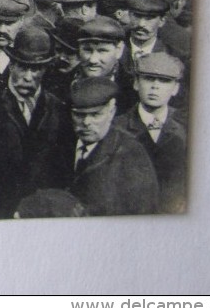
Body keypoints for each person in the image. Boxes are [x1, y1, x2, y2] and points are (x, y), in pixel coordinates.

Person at [0, 26, 74, 217]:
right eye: (22, 67)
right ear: (11, 65)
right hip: (1, 209)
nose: (28, 77)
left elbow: (63, 168)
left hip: (44, 210)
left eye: (36, 69)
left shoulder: (58, 109)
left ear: (45, 69)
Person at [59, 76, 159, 216]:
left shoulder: (131, 153)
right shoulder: (59, 147)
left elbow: (143, 211)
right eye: (79, 115)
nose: (87, 122)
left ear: (111, 112)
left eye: (95, 115)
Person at [112, 53, 187, 214]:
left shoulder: (186, 127)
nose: (155, 86)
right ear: (136, 83)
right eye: (148, 79)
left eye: (165, 81)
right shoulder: (116, 127)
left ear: (175, 89)